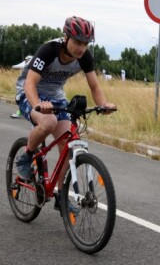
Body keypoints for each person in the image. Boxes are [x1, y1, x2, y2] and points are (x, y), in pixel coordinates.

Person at [14, 16, 116, 211]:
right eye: (77, 42)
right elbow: (30, 83)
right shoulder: (49, 50)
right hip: (29, 92)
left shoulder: (84, 57)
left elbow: (94, 85)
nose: (81, 48)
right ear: (66, 37)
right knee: (48, 122)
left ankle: (62, 197)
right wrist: (37, 105)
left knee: (67, 144)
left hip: (56, 96)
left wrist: (103, 104)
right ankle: (27, 155)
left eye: (85, 44)